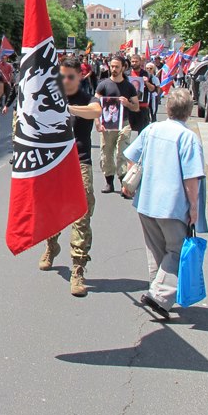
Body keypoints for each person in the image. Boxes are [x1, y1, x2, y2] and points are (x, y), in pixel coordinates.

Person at [123, 88, 206, 320]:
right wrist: (194, 206)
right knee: (177, 250)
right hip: (172, 204)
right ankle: (159, 295)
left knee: (155, 249)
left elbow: (131, 154)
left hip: (146, 200)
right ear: (189, 111)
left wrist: (134, 177)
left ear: (167, 108)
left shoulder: (152, 129)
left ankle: (156, 289)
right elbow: (191, 177)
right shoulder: (188, 137)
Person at [39, 56, 102, 296]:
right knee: (52, 211)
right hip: (54, 163)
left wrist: (67, 108)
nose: (65, 80)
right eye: (61, 76)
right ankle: (51, 246)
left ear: (80, 76)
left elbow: (95, 112)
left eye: (70, 76)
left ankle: (78, 269)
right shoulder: (50, 98)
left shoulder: (88, 99)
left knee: (82, 215)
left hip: (80, 162)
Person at [95, 55, 140, 194]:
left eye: (117, 67)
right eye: (112, 66)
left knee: (122, 153)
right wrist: (97, 123)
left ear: (123, 68)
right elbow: (95, 106)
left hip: (124, 123)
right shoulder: (103, 85)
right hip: (107, 125)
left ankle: (123, 182)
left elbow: (136, 107)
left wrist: (127, 103)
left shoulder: (129, 86)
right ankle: (109, 182)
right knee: (107, 153)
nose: (113, 69)